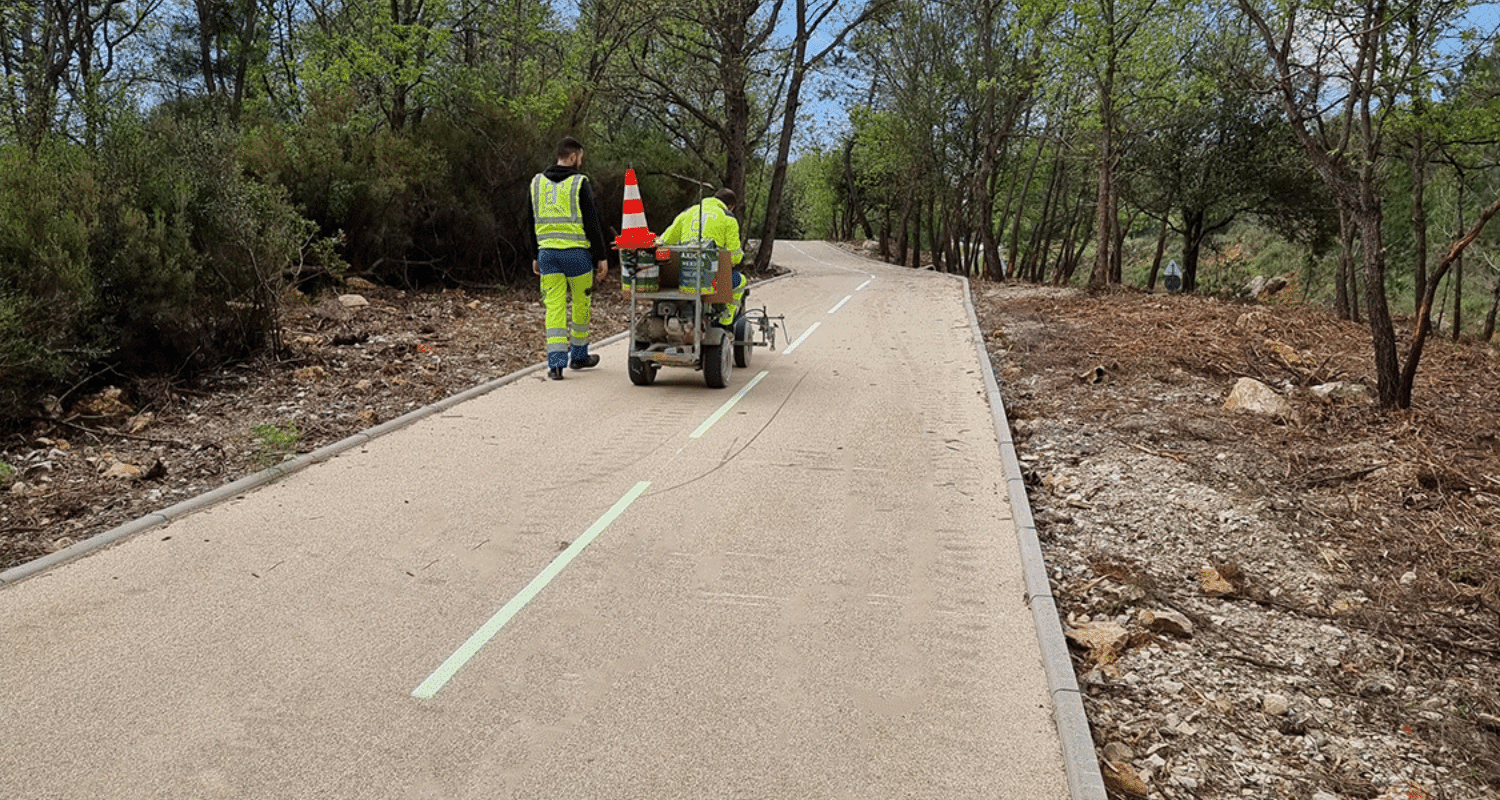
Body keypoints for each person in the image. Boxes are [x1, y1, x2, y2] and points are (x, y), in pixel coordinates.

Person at [525, 136, 609, 380]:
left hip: (548, 254)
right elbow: (592, 222)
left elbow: (530, 222)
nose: (581, 162)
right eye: (580, 158)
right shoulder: (579, 183)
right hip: (576, 255)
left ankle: (556, 364)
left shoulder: (536, 183)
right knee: (581, 305)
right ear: (573, 157)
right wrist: (601, 257)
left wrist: (535, 254)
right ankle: (579, 356)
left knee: (554, 308)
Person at [660, 188, 746, 330]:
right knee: (740, 281)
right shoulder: (728, 218)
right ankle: (725, 322)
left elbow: (666, 240)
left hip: (684, 275)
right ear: (731, 206)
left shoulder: (688, 212)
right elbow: (735, 256)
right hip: (712, 279)